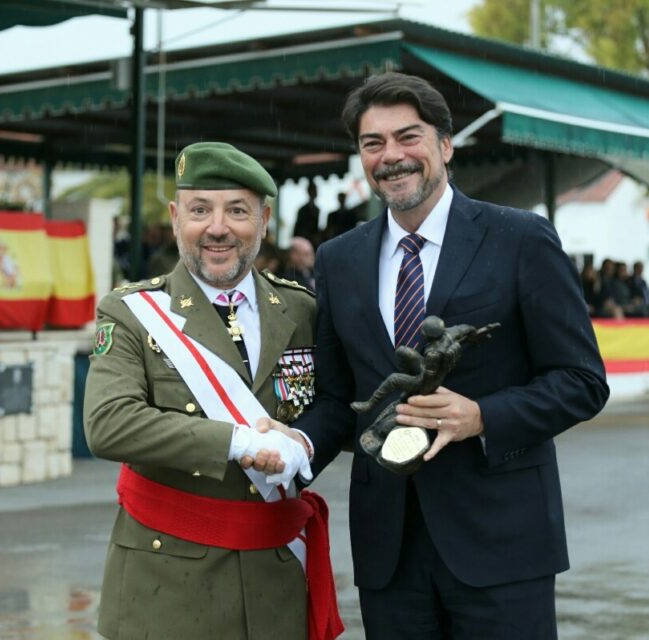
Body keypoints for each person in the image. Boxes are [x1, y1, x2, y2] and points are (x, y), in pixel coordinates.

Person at [269, 72, 608, 638]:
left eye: (409, 137)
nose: (391, 156)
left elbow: (581, 380)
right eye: (372, 144)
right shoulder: (339, 259)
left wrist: (481, 416)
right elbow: (335, 396)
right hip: (389, 551)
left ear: (446, 145)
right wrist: (290, 447)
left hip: (501, 543)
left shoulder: (521, 238)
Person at [83, 141, 341, 640]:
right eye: (200, 210)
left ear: (265, 220)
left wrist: (303, 441)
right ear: (177, 217)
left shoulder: (302, 310)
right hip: (168, 589)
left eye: (237, 211)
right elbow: (107, 424)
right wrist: (238, 442)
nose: (217, 228)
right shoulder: (131, 312)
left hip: (277, 580)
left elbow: (336, 406)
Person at [293, 180, 322, 248]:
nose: (315, 192)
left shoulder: (317, 209)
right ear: (309, 192)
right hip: (304, 240)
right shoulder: (303, 210)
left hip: (313, 242)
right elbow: (299, 228)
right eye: (314, 190)